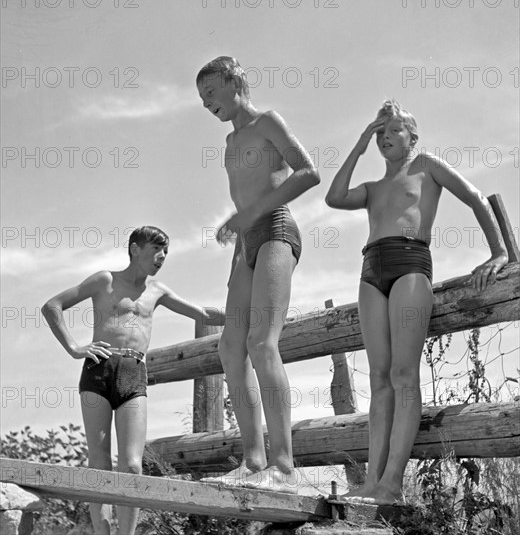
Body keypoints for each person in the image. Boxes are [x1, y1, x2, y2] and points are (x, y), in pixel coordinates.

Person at [325, 100, 508, 505]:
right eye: (379, 133)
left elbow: (476, 197)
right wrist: (359, 141)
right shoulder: (372, 188)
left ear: (413, 136)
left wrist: (498, 253)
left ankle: (392, 485)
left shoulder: (427, 165)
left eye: (392, 130)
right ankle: (372, 484)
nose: (384, 137)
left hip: (410, 262)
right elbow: (333, 198)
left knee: (404, 373)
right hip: (370, 269)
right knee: (379, 377)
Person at [42, 226, 225, 534]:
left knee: (131, 466)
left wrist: (244, 312)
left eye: (165, 251)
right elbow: (52, 306)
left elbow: (203, 314)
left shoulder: (159, 291)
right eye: (156, 249)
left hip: (134, 373)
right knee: (99, 463)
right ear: (135, 249)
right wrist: (75, 348)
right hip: (97, 370)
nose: (162, 256)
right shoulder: (105, 280)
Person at [196, 56, 320, 494]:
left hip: (276, 230)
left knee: (261, 342)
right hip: (247, 244)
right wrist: (238, 224)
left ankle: (284, 466)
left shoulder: (267, 120)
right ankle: (254, 463)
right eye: (201, 99)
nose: (206, 103)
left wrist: (247, 213)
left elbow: (308, 172)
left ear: (234, 81)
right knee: (231, 347)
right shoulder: (230, 142)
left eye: (211, 92)